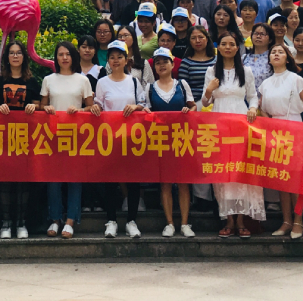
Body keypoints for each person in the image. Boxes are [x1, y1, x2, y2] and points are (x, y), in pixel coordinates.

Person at [202, 33, 263, 237]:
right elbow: (205, 103)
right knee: (223, 172)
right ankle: (228, 218)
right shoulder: (211, 70)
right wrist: (209, 91)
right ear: (218, 48)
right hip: (219, 124)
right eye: (224, 44)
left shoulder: (245, 71)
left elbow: (253, 96)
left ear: (238, 48)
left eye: (232, 44)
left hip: (240, 122)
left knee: (240, 170)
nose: (228, 47)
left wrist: (253, 108)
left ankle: (241, 219)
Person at [257, 44, 303, 239]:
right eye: (273, 52)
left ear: (288, 57)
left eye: (280, 52)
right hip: (275, 131)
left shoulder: (296, 79)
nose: (276, 54)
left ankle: (298, 221)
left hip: (293, 127)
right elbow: (263, 110)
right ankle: (286, 221)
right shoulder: (264, 84)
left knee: (295, 179)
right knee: (281, 179)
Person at [90, 39, 146, 238]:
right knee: (110, 181)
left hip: (132, 138)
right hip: (109, 139)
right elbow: (97, 105)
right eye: (112, 57)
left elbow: (143, 104)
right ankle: (111, 220)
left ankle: (131, 220)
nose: (115, 60)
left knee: (132, 180)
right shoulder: (102, 82)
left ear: (126, 60)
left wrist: (136, 107)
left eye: (119, 57)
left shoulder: (133, 81)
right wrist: (95, 108)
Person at [40, 41, 94, 238]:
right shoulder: (48, 79)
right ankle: (55, 219)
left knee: (74, 179)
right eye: (60, 54)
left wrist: (79, 110)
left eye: (68, 54)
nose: (64, 58)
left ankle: (71, 220)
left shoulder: (83, 80)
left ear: (73, 57)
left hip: (77, 136)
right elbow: (42, 106)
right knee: (53, 180)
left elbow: (91, 107)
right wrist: (44, 108)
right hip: (52, 135)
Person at [0, 40, 42, 238]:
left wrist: (32, 107)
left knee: (22, 181)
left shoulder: (32, 81)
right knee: (5, 181)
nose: (15, 56)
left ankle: (21, 223)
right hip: (3, 136)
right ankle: (5, 223)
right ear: (7, 57)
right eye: (12, 53)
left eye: (19, 52)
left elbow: (38, 105)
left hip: (25, 137)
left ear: (24, 57)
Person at [147, 47, 196, 237]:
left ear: (172, 64)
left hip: (182, 138)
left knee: (183, 182)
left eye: (164, 61)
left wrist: (188, 111)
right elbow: (147, 111)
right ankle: (169, 223)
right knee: (165, 183)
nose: (161, 65)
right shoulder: (150, 87)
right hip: (161, 140)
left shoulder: (182, 84)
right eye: (157, 62)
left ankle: (185, 223)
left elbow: (193, 108)